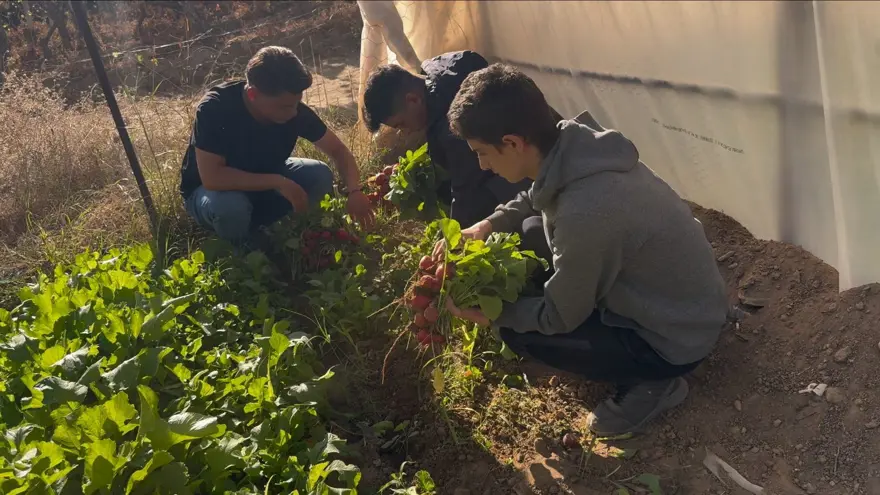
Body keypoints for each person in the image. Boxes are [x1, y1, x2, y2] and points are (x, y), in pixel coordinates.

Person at [439, 64, 729, 436]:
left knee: (521, 332)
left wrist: (494, 315)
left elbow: (558, 318)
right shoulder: (574, 143)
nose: (482, 164)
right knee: (529, 229)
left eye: (483, 153)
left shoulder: (585, 213)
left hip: (676, 337)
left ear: (513, 142)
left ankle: (657, 384)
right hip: (687, 300)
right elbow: (536, 194)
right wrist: (487, 225)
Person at [362, 52, 554, 263]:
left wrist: (455, 240)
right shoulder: (439, 70)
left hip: (531, 169)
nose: (404, 132)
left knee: (527, 231)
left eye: (401, 124)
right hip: (537, 154)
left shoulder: (451, 132)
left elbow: (466, 191)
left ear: (413, 99)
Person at [180, 46, 374, 246]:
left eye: (296, 103)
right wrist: (278, 182)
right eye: (284, 106)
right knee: (231, 207)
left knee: (319, 174)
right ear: (253, 94)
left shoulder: (293, 110)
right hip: (211, 193)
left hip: (267, 176)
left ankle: (296, 234)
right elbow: (213, 178)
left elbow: (337, 150)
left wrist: (354, 191)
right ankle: (244, 255)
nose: (293, 113)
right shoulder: (216, 108)